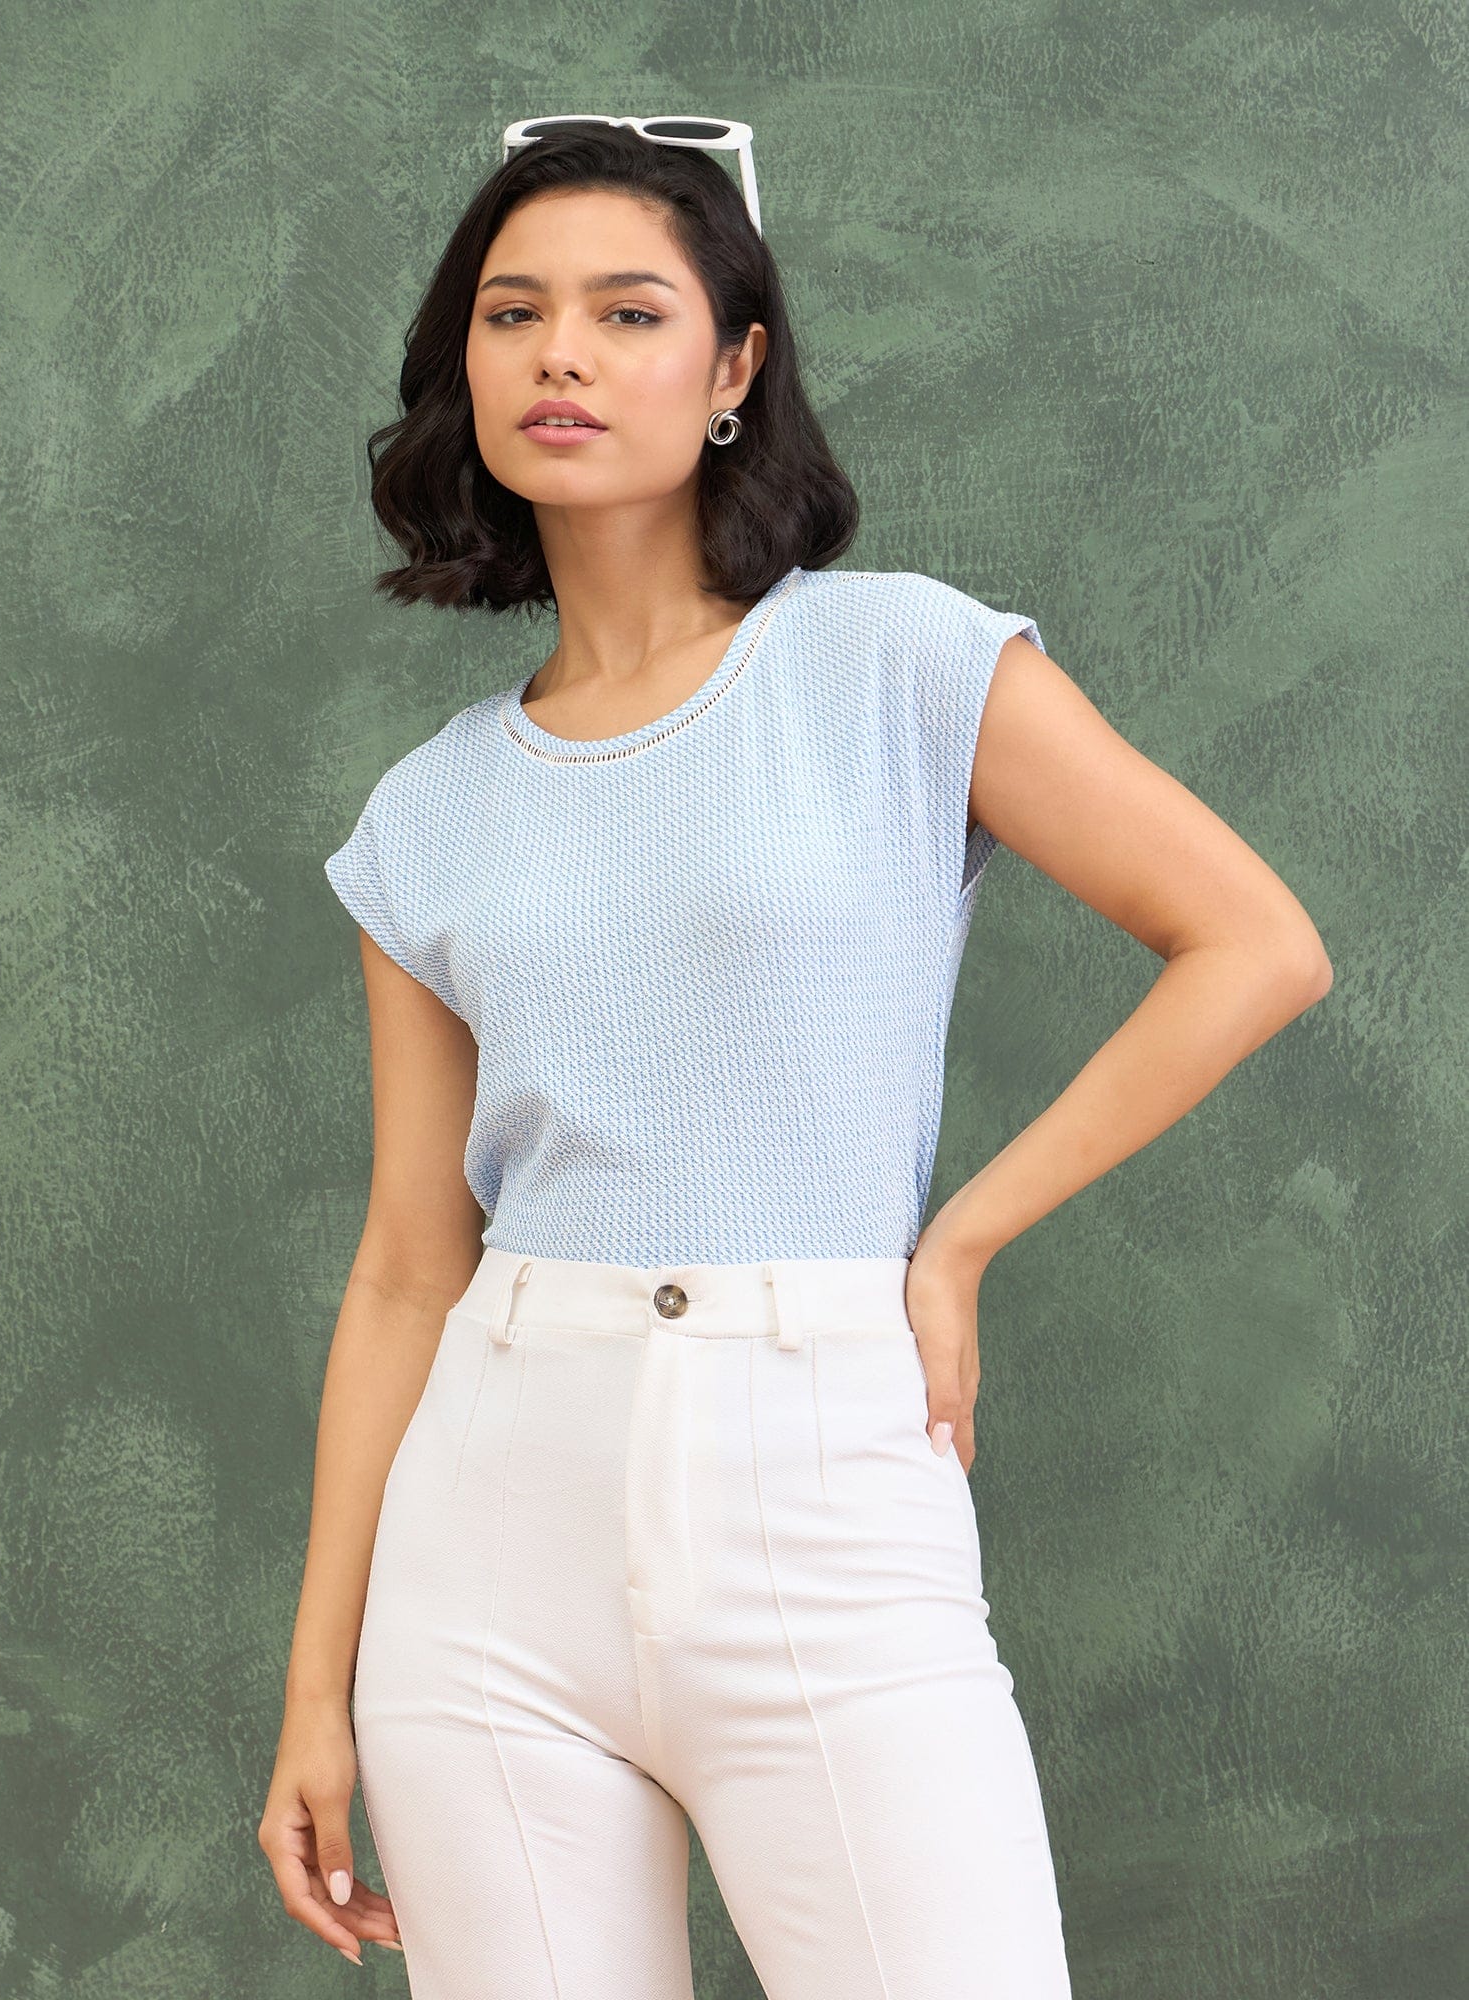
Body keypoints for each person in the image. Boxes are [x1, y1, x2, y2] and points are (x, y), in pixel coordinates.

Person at [257, 121, 1332, 1998]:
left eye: (629, 311)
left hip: (822, 1468)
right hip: (488, 1528)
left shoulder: (899, 665)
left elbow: (1255, 945)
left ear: (735, 366)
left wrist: (961, 1240)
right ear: (465, 371)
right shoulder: (425, 813)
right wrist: (315, 1688)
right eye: (513, 314)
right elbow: (410, 1267)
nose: (562, 353)